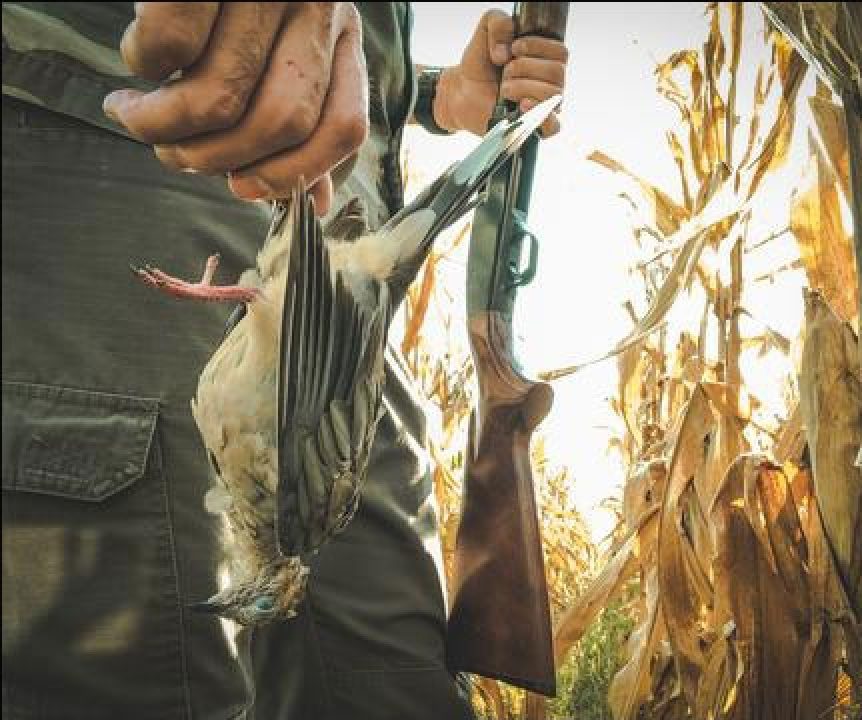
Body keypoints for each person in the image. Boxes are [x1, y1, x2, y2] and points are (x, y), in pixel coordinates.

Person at [1, 2, 567, 718]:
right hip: (137, 147)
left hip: (331, 229)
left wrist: (432, 95)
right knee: (155, 679)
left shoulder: (284, 504)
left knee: (393, 688)